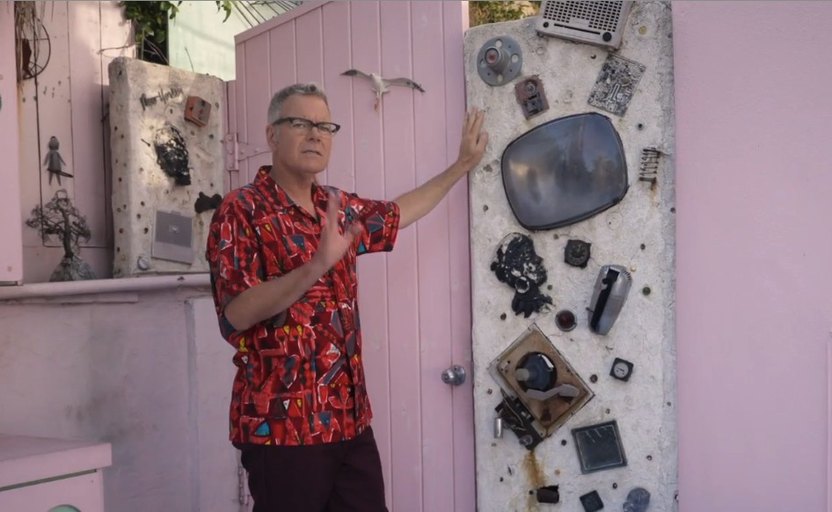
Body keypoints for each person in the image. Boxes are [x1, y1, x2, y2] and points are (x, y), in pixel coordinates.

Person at [206, 82, 487, 512]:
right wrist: (315, 266)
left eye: (324, 125)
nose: (315, 134)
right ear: (271, 135)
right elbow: (237, 312)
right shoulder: (241, 209)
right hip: (283, 427)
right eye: (300, 123)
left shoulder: (335, 208)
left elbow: (399, 212)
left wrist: (461, 166)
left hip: (348, 420)